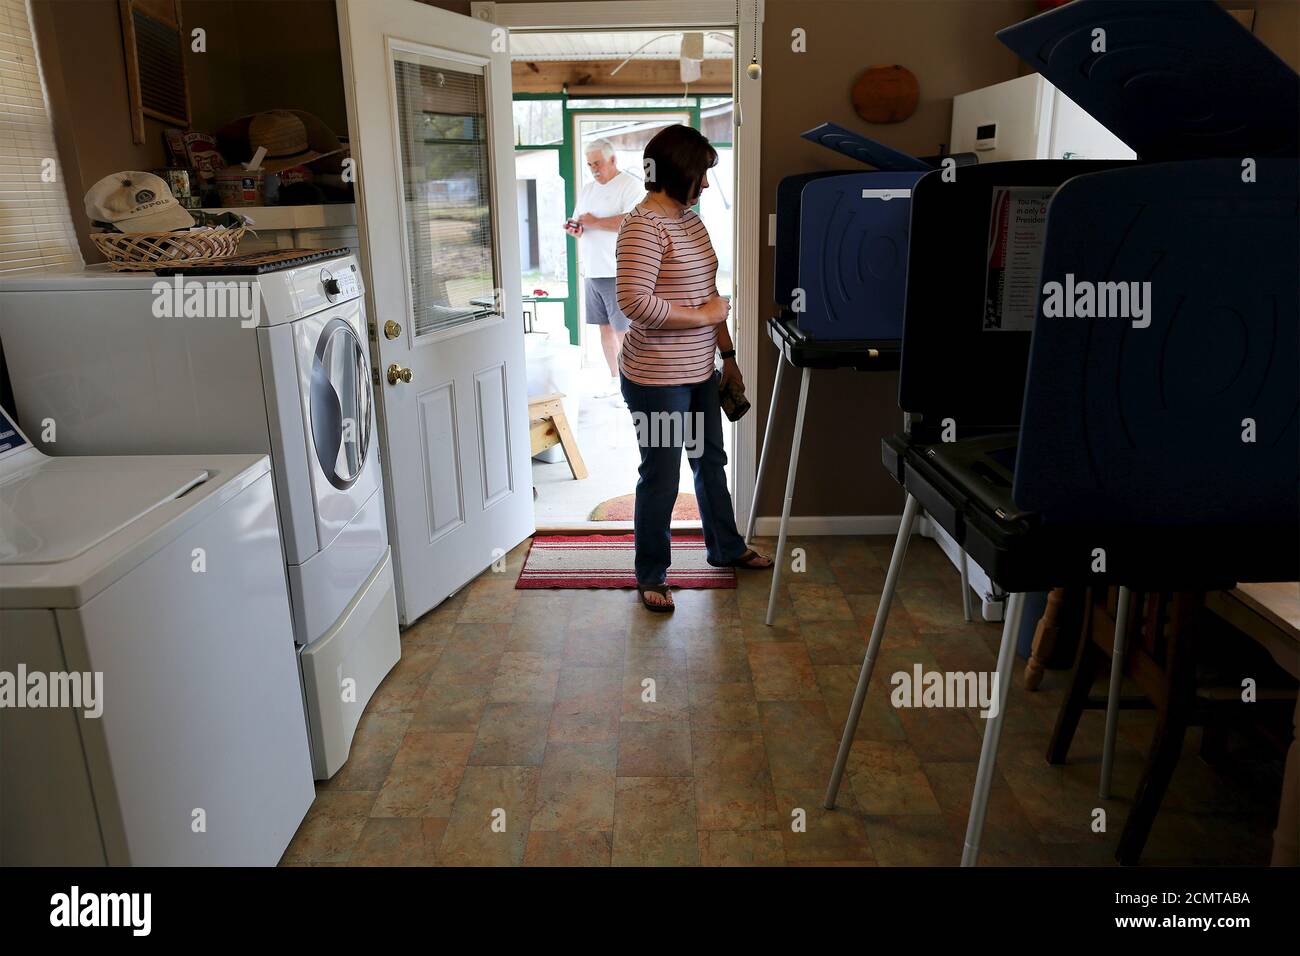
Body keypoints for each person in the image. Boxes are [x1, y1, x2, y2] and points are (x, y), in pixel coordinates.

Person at [615, 124, 772, 613]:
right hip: (656, 379)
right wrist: (704, 317)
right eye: (701, 173)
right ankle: (652, 575)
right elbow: (633, 302)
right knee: (661, 477)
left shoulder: (690, 221)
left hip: (702, 370)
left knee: (710, 463)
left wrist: (727, 357)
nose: (705, 184)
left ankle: (725, 547)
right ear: (680, 171)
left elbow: (710, 296)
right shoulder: (643, 225)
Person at [564, 139, 644, 399]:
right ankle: (615, 380)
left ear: (613, 160)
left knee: (624, 332)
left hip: (617, 272)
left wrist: (595, 222)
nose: (593, 169)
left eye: (597, 163)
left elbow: (631, 222)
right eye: (589, 165)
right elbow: (581, 224)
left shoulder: (629, 186)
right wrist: (576, 229)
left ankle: (633, 385)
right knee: (604, 329)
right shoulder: (588, 189)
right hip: (593, 272)